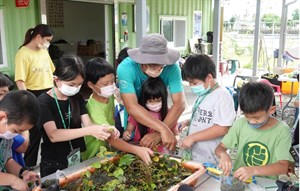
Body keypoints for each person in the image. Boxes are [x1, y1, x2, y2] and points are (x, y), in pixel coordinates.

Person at [38, 54, 119, 177]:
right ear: (56, 80)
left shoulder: (77, 97)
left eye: (79, 84)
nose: (76, 88)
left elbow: (88, 123)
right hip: (53, 162)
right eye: (71, 84)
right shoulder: (44, 101)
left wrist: (104, 128)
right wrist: (89, 130)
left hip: (76, 156)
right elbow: (53, 135)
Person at [117, 33, 185, 150]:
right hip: (135, 122)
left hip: (162, 118)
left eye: (162, 64)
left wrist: (159, 133)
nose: (159, 68)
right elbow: (132, 106)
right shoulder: (126, 68)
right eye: (153, 65)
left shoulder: (172, 68)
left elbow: (180, 104)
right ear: (141, 60)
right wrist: (163, 129)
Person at [215, 82, 294, 181]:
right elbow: (220, 148)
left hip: (267, 183)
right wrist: (223, 155)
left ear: (271, 110)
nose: (252, 121)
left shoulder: (282, 130)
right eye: (247, 116)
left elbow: (283, 166)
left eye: (257, 117)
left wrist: (253, 170)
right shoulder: (240, 124)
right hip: (241, 181)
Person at [82, 57, 153, 163]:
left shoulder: (109, 96)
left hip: (107, 151)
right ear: (91, 84)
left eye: (112, 81)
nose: (110, 86)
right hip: (93, 156)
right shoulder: (93, 108)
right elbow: (111, 138)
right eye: (105, 84)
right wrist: (137, 150)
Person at [179, 54, 236, 163]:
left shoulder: (222, 96)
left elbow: (222, 128)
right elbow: (206, 117)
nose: (191, 86)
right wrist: (189, 122)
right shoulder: (204, 93)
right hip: (197, 154)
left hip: (212, 156)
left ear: (209, 77)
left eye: (194, 83)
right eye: (189, 83)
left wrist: (192, 137)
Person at [14, 24, 55, 168]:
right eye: (47, 40)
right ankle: (28, 165)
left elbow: (51, 71)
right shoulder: (23, 53)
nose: (48, 43)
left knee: (50, 127)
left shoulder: (43, 51)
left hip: (49, 91)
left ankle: (50, 159)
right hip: (33, 93)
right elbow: (20, 80)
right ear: (38, 37)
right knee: (34, 131)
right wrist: (28, 100)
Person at [123, 77, 178, 153]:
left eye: (158, 101)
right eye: (150, 101)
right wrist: (126, 134)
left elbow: (175, 134)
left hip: (161, 153)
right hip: (140, 151)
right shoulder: (138, 113)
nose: (154, 104)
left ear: (164, 98)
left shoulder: (169, 114)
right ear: (144, 100)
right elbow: (128, 130)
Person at [0, 90, 41, 191]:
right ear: (2, 117)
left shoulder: (5, 135)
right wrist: (13, 181)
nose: (17, 135)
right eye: (16, 130)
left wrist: (23, 172)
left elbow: (6, 160)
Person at [0, 73, 29, 167]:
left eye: (7, 94)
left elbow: (7, 160)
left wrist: (22, 173)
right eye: (1, 93)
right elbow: (22, 146)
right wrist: (24, 127)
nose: (6, 98)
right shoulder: (5, 122)